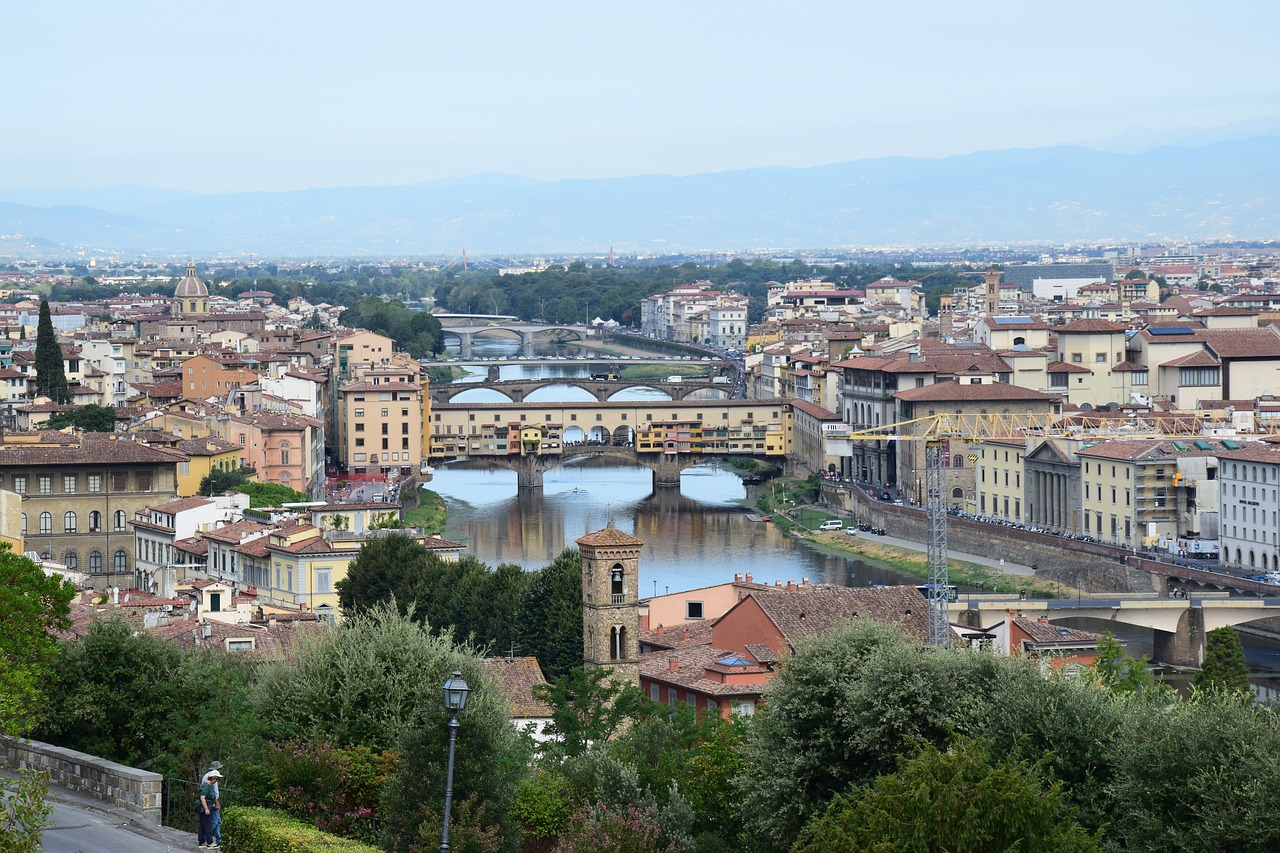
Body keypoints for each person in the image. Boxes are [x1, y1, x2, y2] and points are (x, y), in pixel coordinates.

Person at [197, 768, 222, 848]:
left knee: (203, 824)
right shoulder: (206, 786)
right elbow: (202, 797)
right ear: (213, 778)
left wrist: (216, 803)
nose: (216, 781)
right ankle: (210, 842)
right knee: (208, 825)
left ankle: (201, 842)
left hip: (207, 806)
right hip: (204, 807)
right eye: (216, 779)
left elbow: (212, 796)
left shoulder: (209, 785)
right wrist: (206, 809)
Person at [203, 761, 224, 847]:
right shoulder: (212, 778)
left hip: (210, 802)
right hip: (211, 802)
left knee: (218, 821)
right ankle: (207, 839)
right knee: (214, 822)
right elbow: (212, 793)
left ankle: (218, 840)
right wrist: (216, 802)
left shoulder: (207, 776)